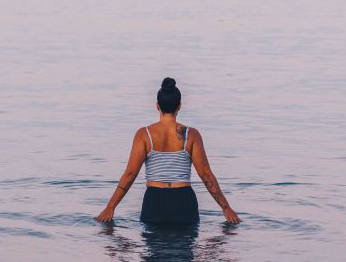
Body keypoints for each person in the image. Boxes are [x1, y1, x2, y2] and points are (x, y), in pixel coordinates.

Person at [95, 77, 240, 225]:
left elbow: (130, 174)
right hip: (183, 202)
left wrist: (110, 207)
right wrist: (226, 208)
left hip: (154, 202)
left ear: (157, 106)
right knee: (185, 247)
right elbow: (206, 175)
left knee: (154, 247)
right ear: (179, 106)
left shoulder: (144, 134)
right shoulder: (191, 135)